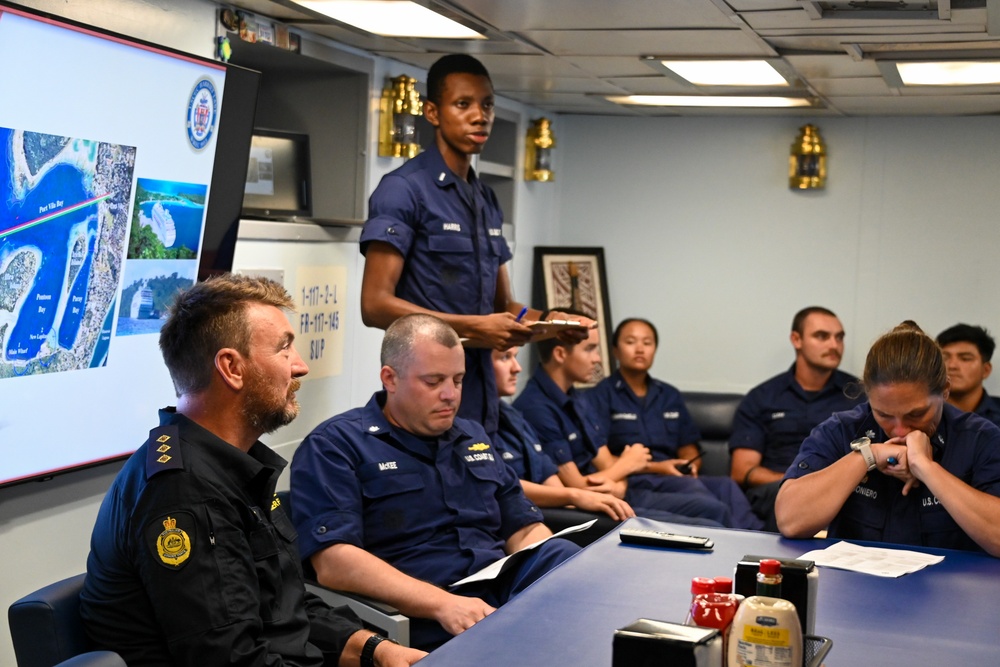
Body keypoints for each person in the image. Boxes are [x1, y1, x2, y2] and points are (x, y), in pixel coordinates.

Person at [79, 274, 424, 667]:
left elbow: (285, 606)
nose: (301, 367)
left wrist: (376, 649)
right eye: (284, 349)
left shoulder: (232, 466)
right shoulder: (185, 492)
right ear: (231, 367)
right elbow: (231, 659)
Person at [290, 314, 578, 651]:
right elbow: (335, 563)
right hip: (422, 610)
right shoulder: (337, 444)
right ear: (390, 378)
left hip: (500, 591)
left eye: (457, 380)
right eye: (433, 381)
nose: (450, 395)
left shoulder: (472, 435)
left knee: (562, 555)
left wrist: (550, 585)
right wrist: (442, 603)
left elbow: (524, 528)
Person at [358, 53, 585, 439]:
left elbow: (507, 309)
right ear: (432, 112)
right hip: (425, 389)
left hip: (480, 393)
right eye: (463, 104)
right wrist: (477, 328)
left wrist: (554, 323)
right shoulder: (404, 189)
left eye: (487, 105)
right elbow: (375, 305)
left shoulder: (485, 199)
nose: (480, 116)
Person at [775, 321, 1000, 555]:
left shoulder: (979, 439)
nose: (900, 430)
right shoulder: (842, 430)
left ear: (944, 390)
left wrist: (926, 467)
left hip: (950, 587)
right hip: (855, 584)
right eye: (883, 414)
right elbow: (791, 521)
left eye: (917, 414)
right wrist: (868, 455)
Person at [513, 326, 738, 527]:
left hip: (616, 490)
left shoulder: (575, 398)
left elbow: (606, 462)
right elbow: (576, 487)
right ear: (561, 354)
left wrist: (620, 475)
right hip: (591, 507)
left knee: (715, 507)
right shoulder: (537, 407)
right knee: (710, 521)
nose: (597, 360)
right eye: (590, 349)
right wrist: (626, 467)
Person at [588, 318, 763, 530]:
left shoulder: (669, 395)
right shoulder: (599, 396)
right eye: (631, 342)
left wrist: (689, 465)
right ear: (615, 351)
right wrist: (660, 468)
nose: (640, 349)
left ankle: (759, 541)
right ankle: (741, 546)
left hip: (674, 475)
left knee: (726, 486)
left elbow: (688, 446)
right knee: (705, 500)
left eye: (647, 342)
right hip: (634, 477)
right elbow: (601, 458)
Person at [729, 306, 863, 530]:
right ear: (796, 339)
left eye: (839, 338)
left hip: (843, 487)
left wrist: (826, 485)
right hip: (776, 488)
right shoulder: (763, 397)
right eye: (822, 336)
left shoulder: (858, 395)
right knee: (785, 497)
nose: (834, 345)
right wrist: (797, 484)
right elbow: (742, 470)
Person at [492, 345, 635, 523]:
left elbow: (556, 485)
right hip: (530, 519)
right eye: (505, 357)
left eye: (515, 357)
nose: (517, 367)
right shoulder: (532, 408)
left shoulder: (512, 415)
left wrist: (621, 484)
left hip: (568, 509)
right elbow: (575, 489)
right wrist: (627, 465)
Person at [937, 323, 1000, 427]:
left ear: (986, 370)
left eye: (965, 358)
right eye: (945, 358)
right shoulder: (921, 413)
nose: (952, 366)